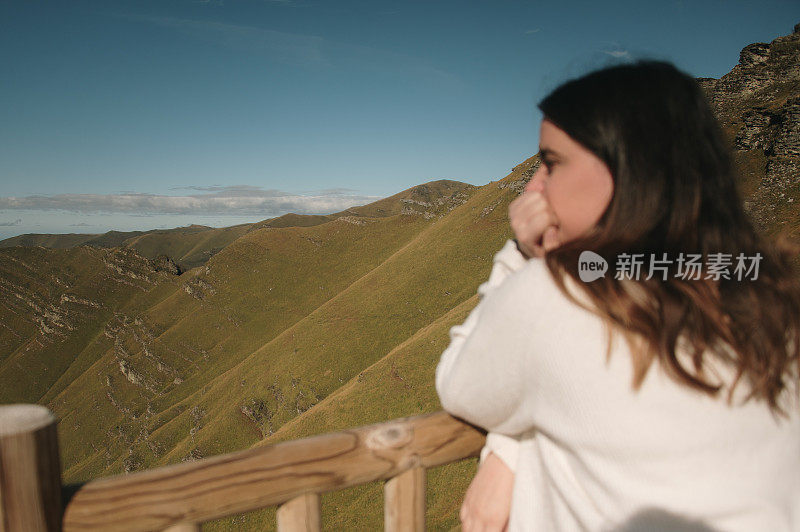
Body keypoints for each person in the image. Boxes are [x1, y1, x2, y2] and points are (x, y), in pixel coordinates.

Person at [435, 59, 800, 532]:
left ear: (628, 170)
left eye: (551, 163)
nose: (534, 188)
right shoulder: (771, 293)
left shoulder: (558, 293)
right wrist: (510, 450)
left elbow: (462, 386)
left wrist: (523, 256)